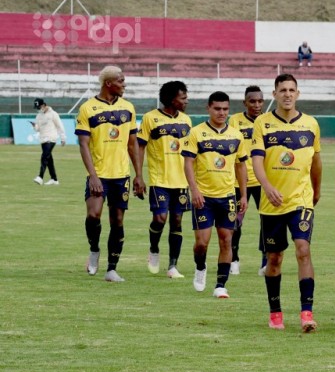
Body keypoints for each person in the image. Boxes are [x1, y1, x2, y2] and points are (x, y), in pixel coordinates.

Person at [251, 74, 322, 333]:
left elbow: (316, 161)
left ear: (298, 93)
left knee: (303, 249)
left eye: (292, 90)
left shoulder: (311, 124)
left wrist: (316, 189)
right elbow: (257, 160)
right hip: (271, 204)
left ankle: (307, 313)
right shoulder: (262, 124)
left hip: (301, 199)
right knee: (275, 259)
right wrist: (267, 187)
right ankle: (275, 312)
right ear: (275, 94)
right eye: (283, 90)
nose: (288, 94)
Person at [77, 66, 145, 282]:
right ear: (109, 83)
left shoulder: (129, 108)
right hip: (99, 174)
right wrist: (93, 175)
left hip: (121, 175)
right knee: (93, 215)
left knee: (117, 221)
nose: (124, 85)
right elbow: (83, 144)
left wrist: (138, 175)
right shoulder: (88, 108)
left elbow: (132, 144)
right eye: (121, 81)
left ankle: (112, 269)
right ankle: (94, 249)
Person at [182, 91, 248, 299]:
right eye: (217, 109)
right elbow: (188, 163)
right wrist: (194, 190)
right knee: (202, 242)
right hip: (204, 197)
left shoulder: (236, 136)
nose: (222, 113)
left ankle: (221, 284)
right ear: (208, 108)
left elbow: (241, 166)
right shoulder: (196, 133)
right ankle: (200, 267)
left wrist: (243, 195)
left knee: (226, 240)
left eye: (225, 109)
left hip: (227, 197)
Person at [137, 81, 193, 279]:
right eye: (183, 98)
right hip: (160, 180)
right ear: (171, 99)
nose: (186, 101)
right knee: (160, 219)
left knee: (177, 222)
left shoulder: (186, 121)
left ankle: (172, 266)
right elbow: (140, 147)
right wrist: (138, 176)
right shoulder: (150, 119)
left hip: (182, 181)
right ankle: (153, 249)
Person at [228, 86, 265, 275]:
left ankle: (265, 261)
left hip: (262, 181)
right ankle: (234, 259)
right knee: (235, 221)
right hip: (238, 180)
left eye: (260, 101)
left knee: (267, 221)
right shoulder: (235, 121)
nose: (257, 105)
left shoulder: (268, 121)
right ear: (245, 103)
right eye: (252, 101)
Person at [32, 98, 65, 186]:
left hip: (51, 138)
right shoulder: (39, 116)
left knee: (44, 157)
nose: (38, 109)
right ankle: (54, 179)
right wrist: (34, 126)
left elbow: (59, 126)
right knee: (49, 159)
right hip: (43, 139)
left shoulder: (53, 114)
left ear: (43, 105)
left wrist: (63, 138)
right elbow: (38, 129)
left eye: (39, 107)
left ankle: (40, 177)